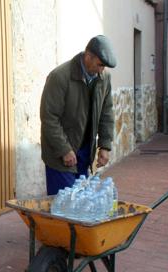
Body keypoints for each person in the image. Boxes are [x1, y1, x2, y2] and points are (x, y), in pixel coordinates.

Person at [40, 35, 117, 195]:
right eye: (100, 64)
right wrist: (64, 149)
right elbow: (49, 118)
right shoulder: (59, 77)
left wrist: (105, 145)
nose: (102, 70)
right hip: (60, 153)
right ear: (88, 57)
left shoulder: (104, 78)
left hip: (85, 152)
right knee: (62, 207)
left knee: (80, 205)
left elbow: (106, 112)